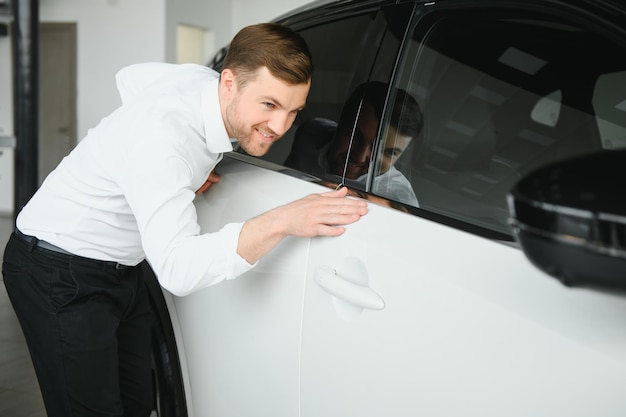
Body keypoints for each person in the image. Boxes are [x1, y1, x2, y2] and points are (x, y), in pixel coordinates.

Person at [2, 23, 367, 417]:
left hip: (123, 267)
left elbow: (131, 77)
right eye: (269, 105)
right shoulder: (164, 143)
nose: (280, 127)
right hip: (57, 266)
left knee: (140, 406)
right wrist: (280, 220)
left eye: (294, 111)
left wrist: (163, 179)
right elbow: (176, 269)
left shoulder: (199, 81)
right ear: (229, 83)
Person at [285, 81, 423, 206]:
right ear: (340, 123)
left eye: (388, 152)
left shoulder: (398, 198)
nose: (360, 158)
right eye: (356, 137)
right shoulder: (310, 133)